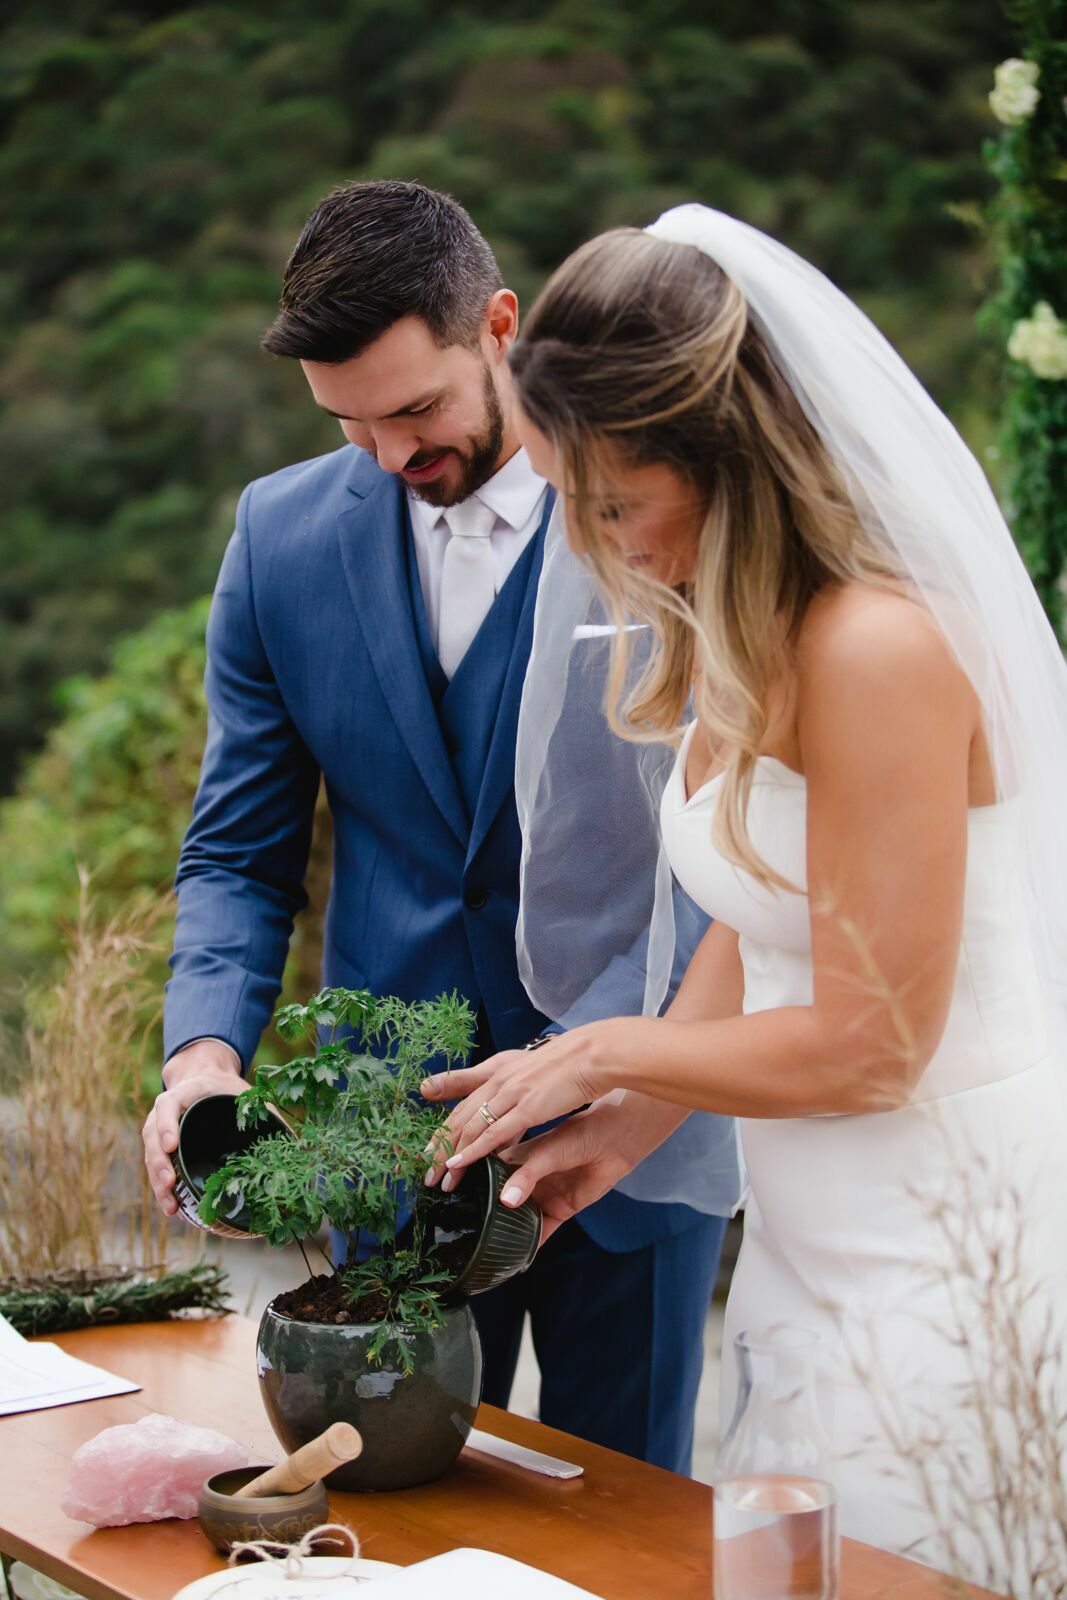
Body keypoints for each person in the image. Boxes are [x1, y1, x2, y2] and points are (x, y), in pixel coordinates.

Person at [423, 206, 1067, 1581]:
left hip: (951, 1235)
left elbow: (875, 1039)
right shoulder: (730, 625)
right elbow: (758, 903)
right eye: (566, 503)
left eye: (616, 504)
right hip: (809, 1225)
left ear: (727, 456)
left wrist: (600, 1047)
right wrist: (641, 1114)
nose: (597, 551)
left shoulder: (879, 648)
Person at [139, 181, 732, 1474]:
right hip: (383, 1139)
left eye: (415, 409)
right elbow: (238, 850)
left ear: (502, 327)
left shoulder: (666, 514)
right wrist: (201, 1060)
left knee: (622, 1522)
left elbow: (735, 838)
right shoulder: (278, 541)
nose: (389, 453)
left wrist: (661, 1081)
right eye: (347, 423)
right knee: (386, 1505)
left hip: (632, 1124)